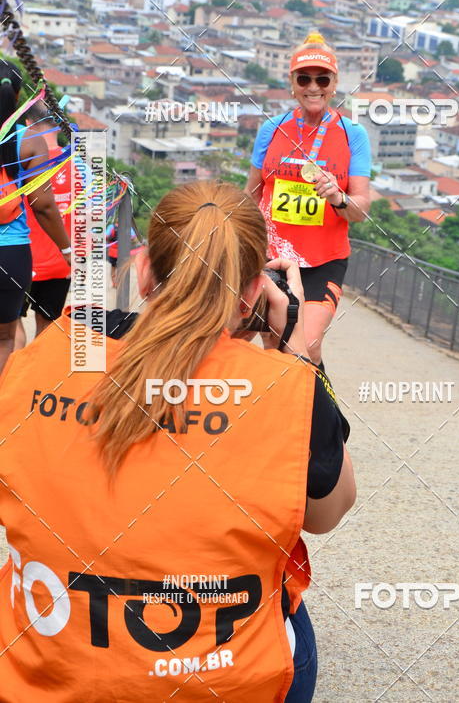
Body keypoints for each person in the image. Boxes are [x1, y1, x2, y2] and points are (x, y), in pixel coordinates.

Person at [0, 180, 356, 702]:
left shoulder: (52, 353)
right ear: (255, 292)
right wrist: (298, 351)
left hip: (49, 668)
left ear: (143, 272)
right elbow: (328, 514)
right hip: (225, 680)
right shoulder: (285, 387)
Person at [245, 31, 371, 369]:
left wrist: (337, 197)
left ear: (334, 83)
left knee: (307, 346)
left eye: (322, 78)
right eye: (304, 78)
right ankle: (281, 418)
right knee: (272, 345)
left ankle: (325, 420)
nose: (313, 87)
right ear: (293, 83)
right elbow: (252, 192)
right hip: (269, 256)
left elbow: (360, 211)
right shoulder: (272, 128)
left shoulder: (352, 135)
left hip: (321, 262)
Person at [0, 61, 70, 371]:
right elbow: (43, 206)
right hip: (11, 253)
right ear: (17, 98)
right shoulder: (29, 141)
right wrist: (67, 249)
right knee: (4, 338)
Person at [14, 105, 72, 346]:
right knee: (47, 329)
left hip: (20, 256)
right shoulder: (78, 166)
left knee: (10, 331)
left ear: (27, 123)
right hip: (60, 261)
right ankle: (36, 381)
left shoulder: (18, 157)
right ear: (59, 125)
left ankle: (8, 380)